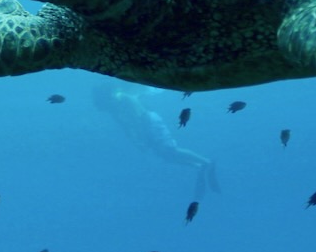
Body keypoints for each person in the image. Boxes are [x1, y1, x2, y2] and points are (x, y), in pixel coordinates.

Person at [92, 85, 220, 198]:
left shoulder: (124, 98)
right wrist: (137, 140)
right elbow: (124, 126)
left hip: (149, 122)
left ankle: (207, 162)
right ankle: (198, 166)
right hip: (144, 127)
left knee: (171, 150)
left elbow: (140, 115)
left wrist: (142, 136)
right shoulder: (113, 107)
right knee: (165, 156)